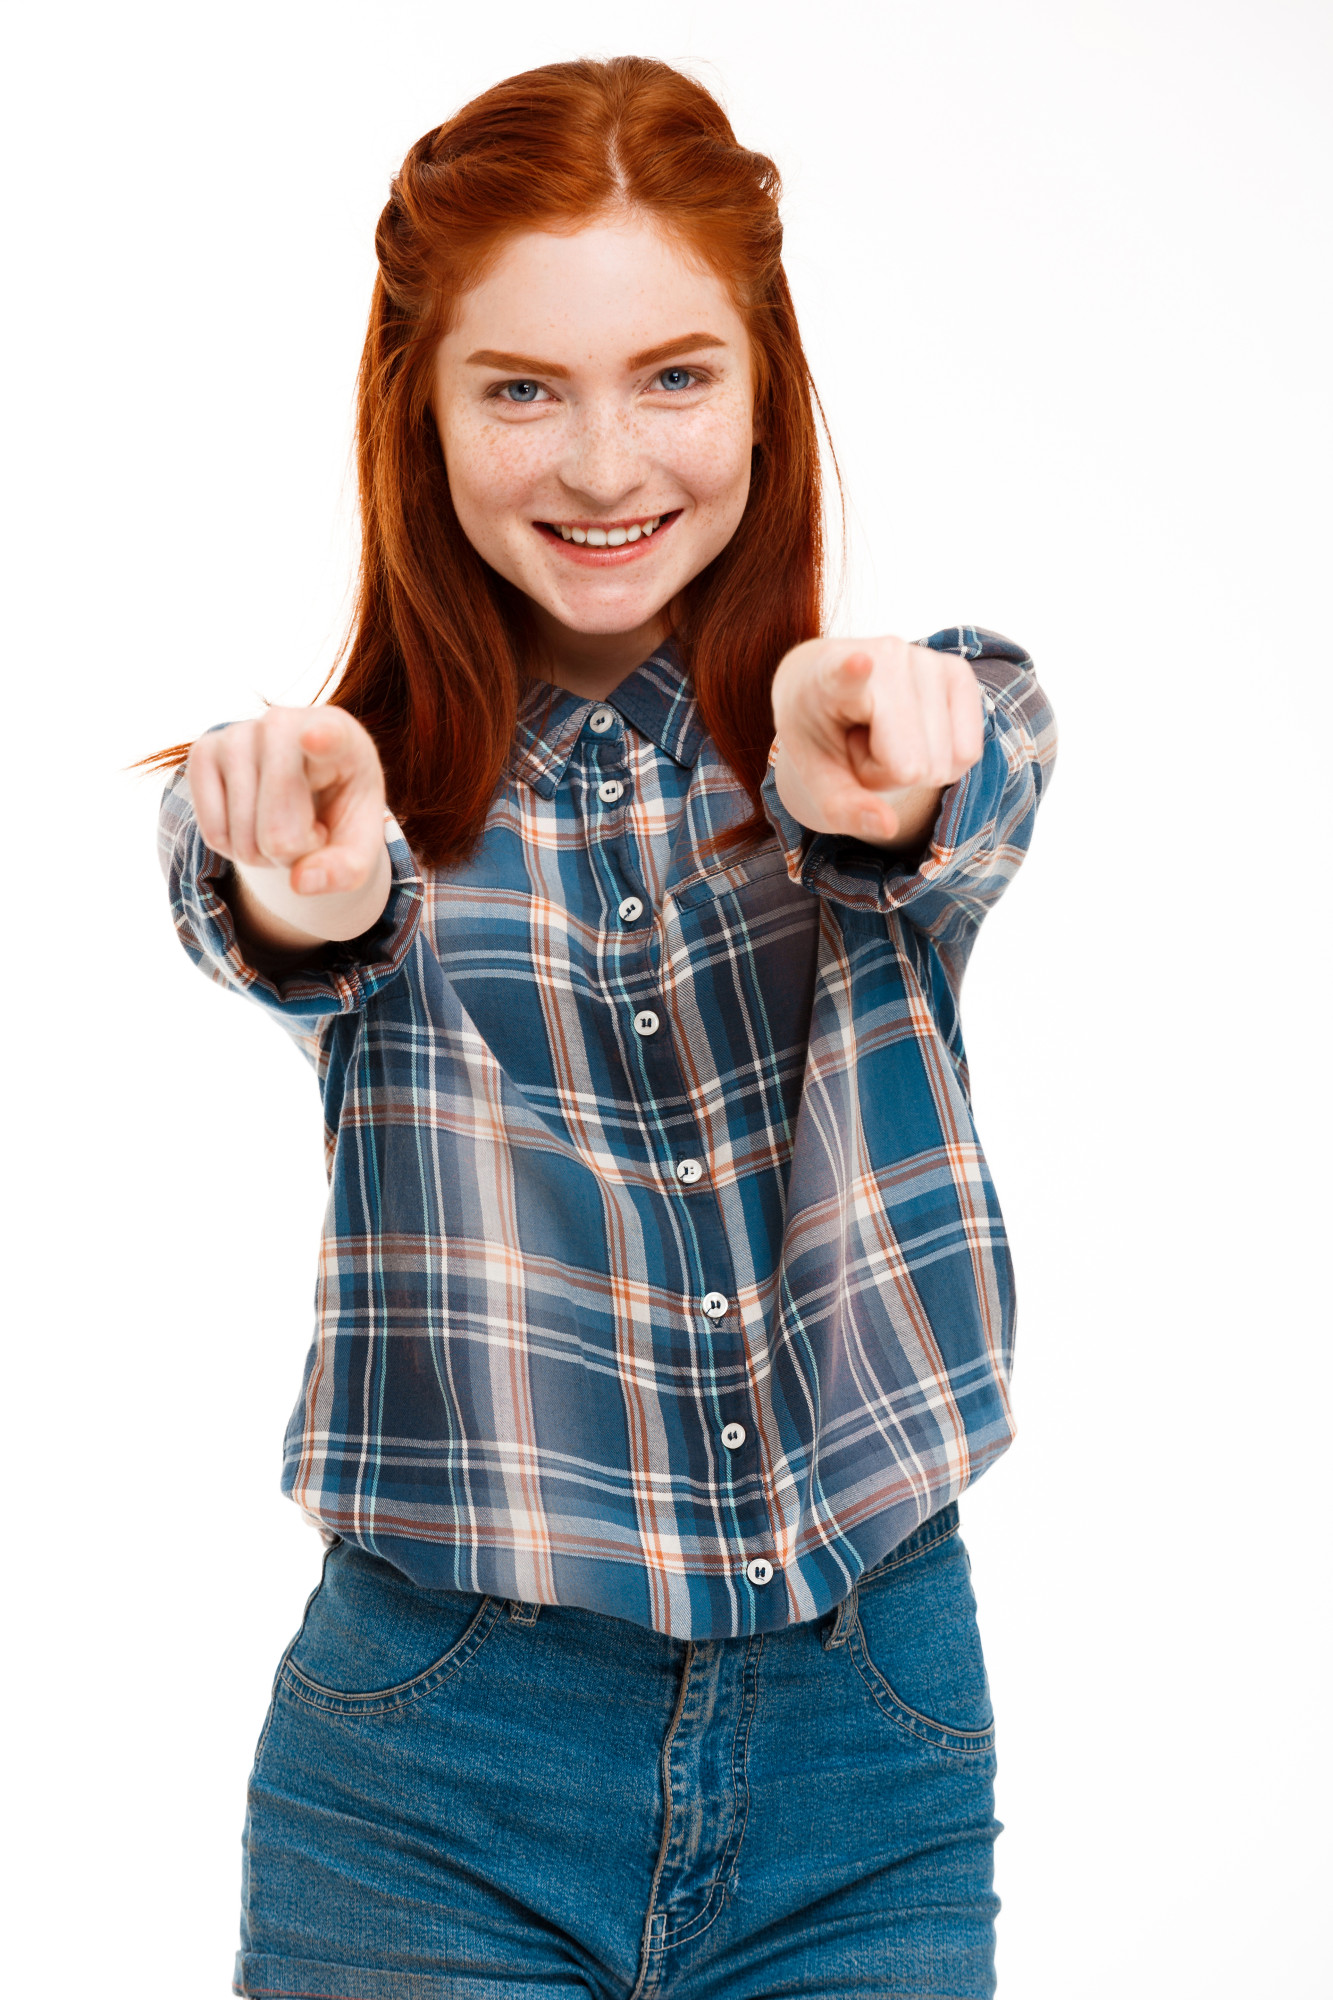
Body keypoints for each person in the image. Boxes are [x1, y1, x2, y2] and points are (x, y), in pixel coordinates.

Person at [155, 54, 1056, 2000]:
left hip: (868, 1750)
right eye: (520, 389)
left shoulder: (902, 716)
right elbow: (288, 911)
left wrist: (863, 779)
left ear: (760, 384)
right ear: (424, 412)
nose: (599, 464)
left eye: (670, 375)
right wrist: (310, 891)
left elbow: (943, 793)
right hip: (435, 1767)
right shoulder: (345, 799)